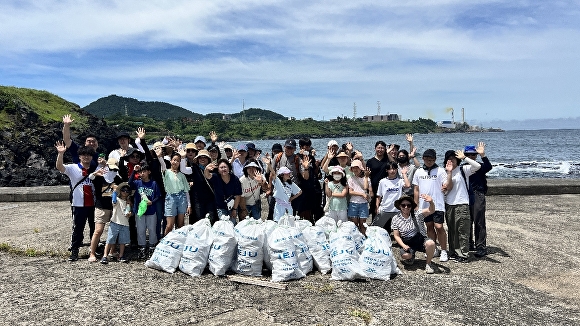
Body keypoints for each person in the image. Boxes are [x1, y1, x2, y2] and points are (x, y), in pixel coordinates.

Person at [55, 141, 96, 261]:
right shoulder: (73, 168)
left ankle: (94, 249)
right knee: (78, 228)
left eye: (88, 155)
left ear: (92, 157)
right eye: (84, 155)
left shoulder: (95, 168)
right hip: (79, 204)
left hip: (93, 204)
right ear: (79, 157)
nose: (86, 157)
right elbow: (59, 167)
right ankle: (74, 250)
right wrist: (61, 154)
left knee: (94, 228)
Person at [412, 149, 451, 262]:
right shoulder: (419, 171)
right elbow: (416, 189)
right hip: (424, 206)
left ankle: (444, 250)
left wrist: (448, 176)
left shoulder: (440, 171)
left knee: (439, 227)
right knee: (429, 226)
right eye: (427, 159)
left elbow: (446, 185)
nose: (430, 161)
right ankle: (434, 249)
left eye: (432, 160)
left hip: (437, 204)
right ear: (423, 158)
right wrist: (416, 205)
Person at [443, 149, 481, 263]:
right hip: (449, 204)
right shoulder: (444, 173)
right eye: (448, 159)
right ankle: (453, 252)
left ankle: (463, 254)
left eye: (453, 159)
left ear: (457, 160)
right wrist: (448, 172)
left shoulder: (463, 170)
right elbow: (445, 189)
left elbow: (477, 166)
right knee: (452, 230)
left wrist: (464, 157)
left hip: (462, 204)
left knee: (462, 230)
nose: (451, 161)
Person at [87, 158, 123, 262]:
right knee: (98, 230)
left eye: (115, 169)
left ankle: (112, 251)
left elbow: (125, 187)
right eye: (111, 169)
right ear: (106, 167)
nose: (113, 171)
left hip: (114, 207)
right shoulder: (99, 177)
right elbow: (90, 177)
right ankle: (92, 253)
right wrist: (96, 173)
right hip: (101, 206)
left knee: (114, 231)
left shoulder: (117, 178)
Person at [391, 194, 437, 274]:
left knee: (431, 243)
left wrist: (431, 202)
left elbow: (431, 210)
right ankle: (411, 256)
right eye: (403, 205)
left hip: (420, 240)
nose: (406, 207)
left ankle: (428, 263)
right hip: (407, 243)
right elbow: (396, 235)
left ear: (411, 206)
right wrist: (403, 245)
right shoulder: (396, 218)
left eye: (408, 205)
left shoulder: (417, 214)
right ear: (400, 206)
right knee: (405, 255)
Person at [464, 142, 492, 257]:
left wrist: (483, 155)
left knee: (479, 221)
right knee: (467, 221)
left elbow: (489, 167)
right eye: (468, 155)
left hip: (477, 194)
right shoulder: (463, 168)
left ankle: (481, 246)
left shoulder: (480, 167)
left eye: (473, 155)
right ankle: (469, 243)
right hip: (465, 195)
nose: (471, 157)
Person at [129, 164, 161, 259]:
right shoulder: (137, 183)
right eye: (140, 172)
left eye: (144, 171)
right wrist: (134, 171)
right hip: (140, 211)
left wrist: (152, 202)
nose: (142, 174)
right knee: (140, 230)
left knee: (152, 229)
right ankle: (142, 248)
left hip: (151, 210)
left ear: (149, 172)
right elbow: (129, 184)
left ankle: (151, 246)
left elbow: (158, 195)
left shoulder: (154, 183)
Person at [100, 182, 133, 264]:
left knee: (123, 241)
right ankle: (105, 256)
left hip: (125, 223)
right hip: (115, 222)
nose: (125, 192)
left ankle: (121, 256)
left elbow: (130, 212)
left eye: (127, 191)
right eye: (123, 190)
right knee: (110, 240)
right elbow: (114, 201)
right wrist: (115, 191)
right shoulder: (117, 200)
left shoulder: (129, 203)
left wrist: (130, 213)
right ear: (120, 191)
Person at [374, 162, 410, 232]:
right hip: (385, 209)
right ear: (386, 170)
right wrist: (377, 207)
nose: (392, 171)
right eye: (390, 169)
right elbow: (378, 196)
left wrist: (404, 174)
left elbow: (408, 185)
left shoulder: (400, 181)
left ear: (397, 169)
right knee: (377, 228)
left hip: (397, 210)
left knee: (401, 229)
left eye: (394, 169)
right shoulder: (382, 181)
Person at [204, 158, 242, 225]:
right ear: (218, 170)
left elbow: (238, 195)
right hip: (221, 206)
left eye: (225, 167)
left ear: (229, 168)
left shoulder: (235, 179)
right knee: (223, 224)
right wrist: (207, 169)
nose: (223, 169)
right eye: (221, 167)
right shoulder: (216, 177)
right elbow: (207, 176)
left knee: (232, 223)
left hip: (232, 206)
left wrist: (235, 209)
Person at [162, 152, 191, 235]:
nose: (175, 162)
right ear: (170, 161)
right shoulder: (166, 172)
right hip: (170, 198)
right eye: (174, 160)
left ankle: (179, 243)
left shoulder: (182, 175)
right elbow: (163, 165)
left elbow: (186, 190)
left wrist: (189, 205)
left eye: (178, 161)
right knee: (169, 225)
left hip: (182, 198)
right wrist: (160, 156)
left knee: (181, 224)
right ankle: (165, 244)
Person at [366, 141, 390, 220]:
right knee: (374, 208)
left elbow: (394, 163)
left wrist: (388, 153)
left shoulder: (387, 160)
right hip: (374, 187)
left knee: (386, 207)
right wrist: (370, 189)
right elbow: (368, 176)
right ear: (375, 149)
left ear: (385, 149)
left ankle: (387, 228)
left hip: (386, 188)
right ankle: (375, 227)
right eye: (378, 148)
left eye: (382, 148)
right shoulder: (370, 161)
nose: (380, 149)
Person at [347, 159, 371, 235]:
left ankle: (364, 238)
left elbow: (365, 187)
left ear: (360, 168)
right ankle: (356, 238)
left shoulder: (366, 178)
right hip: (353, 203)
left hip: (363, 203)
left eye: (357, 167)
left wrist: (366, 177)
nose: (355, 169)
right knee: (354, 223)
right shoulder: (351, 179)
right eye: (353, 168)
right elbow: (350, 192)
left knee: (362, 223)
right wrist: (362, 194)